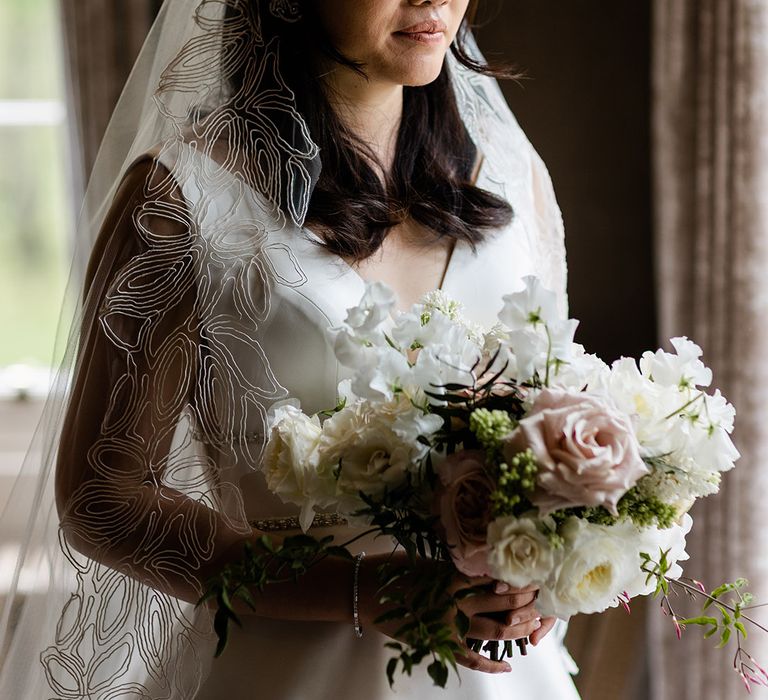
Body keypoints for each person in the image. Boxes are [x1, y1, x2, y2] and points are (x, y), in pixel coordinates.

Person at [0, 0, 580, 697]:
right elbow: (104, 499)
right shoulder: (182, 201)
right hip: (290, 670)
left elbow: (551, 415)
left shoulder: (514, 180)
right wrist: (366, 591)